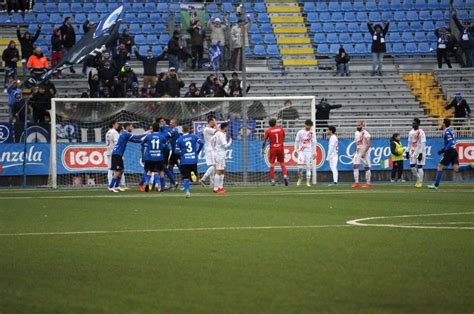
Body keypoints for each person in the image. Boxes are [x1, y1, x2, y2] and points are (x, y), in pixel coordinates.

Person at [428, 118, 474, 190]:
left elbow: (450, 142)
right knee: (456, 169)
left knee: (440, 167)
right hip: (454, 151)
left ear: (444, 124)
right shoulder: (450, 130)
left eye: (442, 122)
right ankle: (470, 166)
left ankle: (436, 185)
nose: (441, 123)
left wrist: (444, 150)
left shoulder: (447, 131)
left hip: (449, 152)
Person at [108, 123, 145, 192]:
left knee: (121, 171)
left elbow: (135, 140)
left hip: (118, 154)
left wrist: (144, 139)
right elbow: (136, 137)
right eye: (131, 127)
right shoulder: (126, 133)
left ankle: (116, 186)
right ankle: (110, 187)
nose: (132, 128)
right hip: (117, 154)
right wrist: (147, 134)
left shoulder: (125, 134)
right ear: (127, 127)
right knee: (118, 171)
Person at [176, 125, 204, 197]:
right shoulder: (194, 136)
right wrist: (197, 151)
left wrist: (181, 154)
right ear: (189, 130)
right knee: (193, 177)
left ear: (182, 131)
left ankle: (187, 192)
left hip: (184, 161)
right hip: (193, 159)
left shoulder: (179, 139)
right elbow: (201, 143)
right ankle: (193, 174)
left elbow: (176, 151)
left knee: (185, 177)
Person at [142, 123, 169, 192]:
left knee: (149, 171)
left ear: (152, 129)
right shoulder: (162, 136)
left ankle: (147, 183)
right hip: (159, 157)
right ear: (159, 129)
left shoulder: (149, 136)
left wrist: (148, 145)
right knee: (160, 171)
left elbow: (142, 143)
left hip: (150, 157)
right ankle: (162, 187)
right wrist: (162, 146)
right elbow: (166, 145)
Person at [261, 118, 288, 186]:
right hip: (280, 147)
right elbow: (283, 137)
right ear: (275, 123)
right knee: (282, 163)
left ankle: (273, 181)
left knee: (272, 165)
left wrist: (262, 149)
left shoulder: (268, 131)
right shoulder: (281, 129)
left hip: (273, 148)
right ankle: (285, 176)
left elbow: (264, 141)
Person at [105, 121, 128, 190]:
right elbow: (117, 143)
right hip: (115, 153)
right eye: (117, 124)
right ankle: (112, 186)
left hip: (109, 151)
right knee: (116, 169)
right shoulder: (114, 132)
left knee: (112, 169)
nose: (118, 125)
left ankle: (115, 185)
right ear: (113, 124)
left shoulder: (108, 132)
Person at [211, 122, 232, 193]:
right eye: (227, 127)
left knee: (223, 170)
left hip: (220, 154)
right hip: (219, 155)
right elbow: (225, 145)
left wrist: (214, 148)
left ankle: (220, 187)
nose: (228, 128)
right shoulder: (221, 134)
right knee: (219, 171)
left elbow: (211, 140)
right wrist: (230, 142)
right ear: (225, 127)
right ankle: (216, 188)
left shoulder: (218, 133)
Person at [294, 119, 316, 187]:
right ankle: (300, 178)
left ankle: (308, 182)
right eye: (308, 125)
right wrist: (295, 150)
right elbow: (296, 141)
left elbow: (314, 143)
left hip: (309, 152)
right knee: (300, 166)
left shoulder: (312, 133)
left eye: (310, 126)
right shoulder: (300, 132)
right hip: (301, 151)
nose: (309, 127)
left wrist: (314, 152)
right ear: (305, 124)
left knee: (308, 167)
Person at [405, 118, 426, 187]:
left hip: (420, 150)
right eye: (412, 123)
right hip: (413, 151)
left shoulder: (421, 132)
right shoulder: (410, 132)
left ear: (418, 124)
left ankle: (420, 182)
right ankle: (418, 177)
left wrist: (421, 153)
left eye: (414, 123)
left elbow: (423, 143)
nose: (413, 124)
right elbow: (409, 143)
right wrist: (407, 151)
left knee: (419, 167)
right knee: (412, 166)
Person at [352, 121, 372, 188]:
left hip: (364, 153)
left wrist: (364, 152)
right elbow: (356, 142)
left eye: (359, 125)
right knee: (355, 166)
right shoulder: (356, 133)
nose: (357, 127)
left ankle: (368, 183)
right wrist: (355, 151)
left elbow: (368, 144)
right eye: (356, 125)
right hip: (358, 153)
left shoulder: (366, 133)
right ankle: (356, 182)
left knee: (366, 167)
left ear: (362, 125)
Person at [200, 117, 218, 186]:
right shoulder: (207, 129)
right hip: (210, 149)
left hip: (211, 149)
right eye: (213, 122)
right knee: (214, 165)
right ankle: (203, 179)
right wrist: (216, 124)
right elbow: (218, 131)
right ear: (210, 122)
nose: (214, 123)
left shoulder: (209, 129)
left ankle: (212, 182)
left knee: (212, 166)